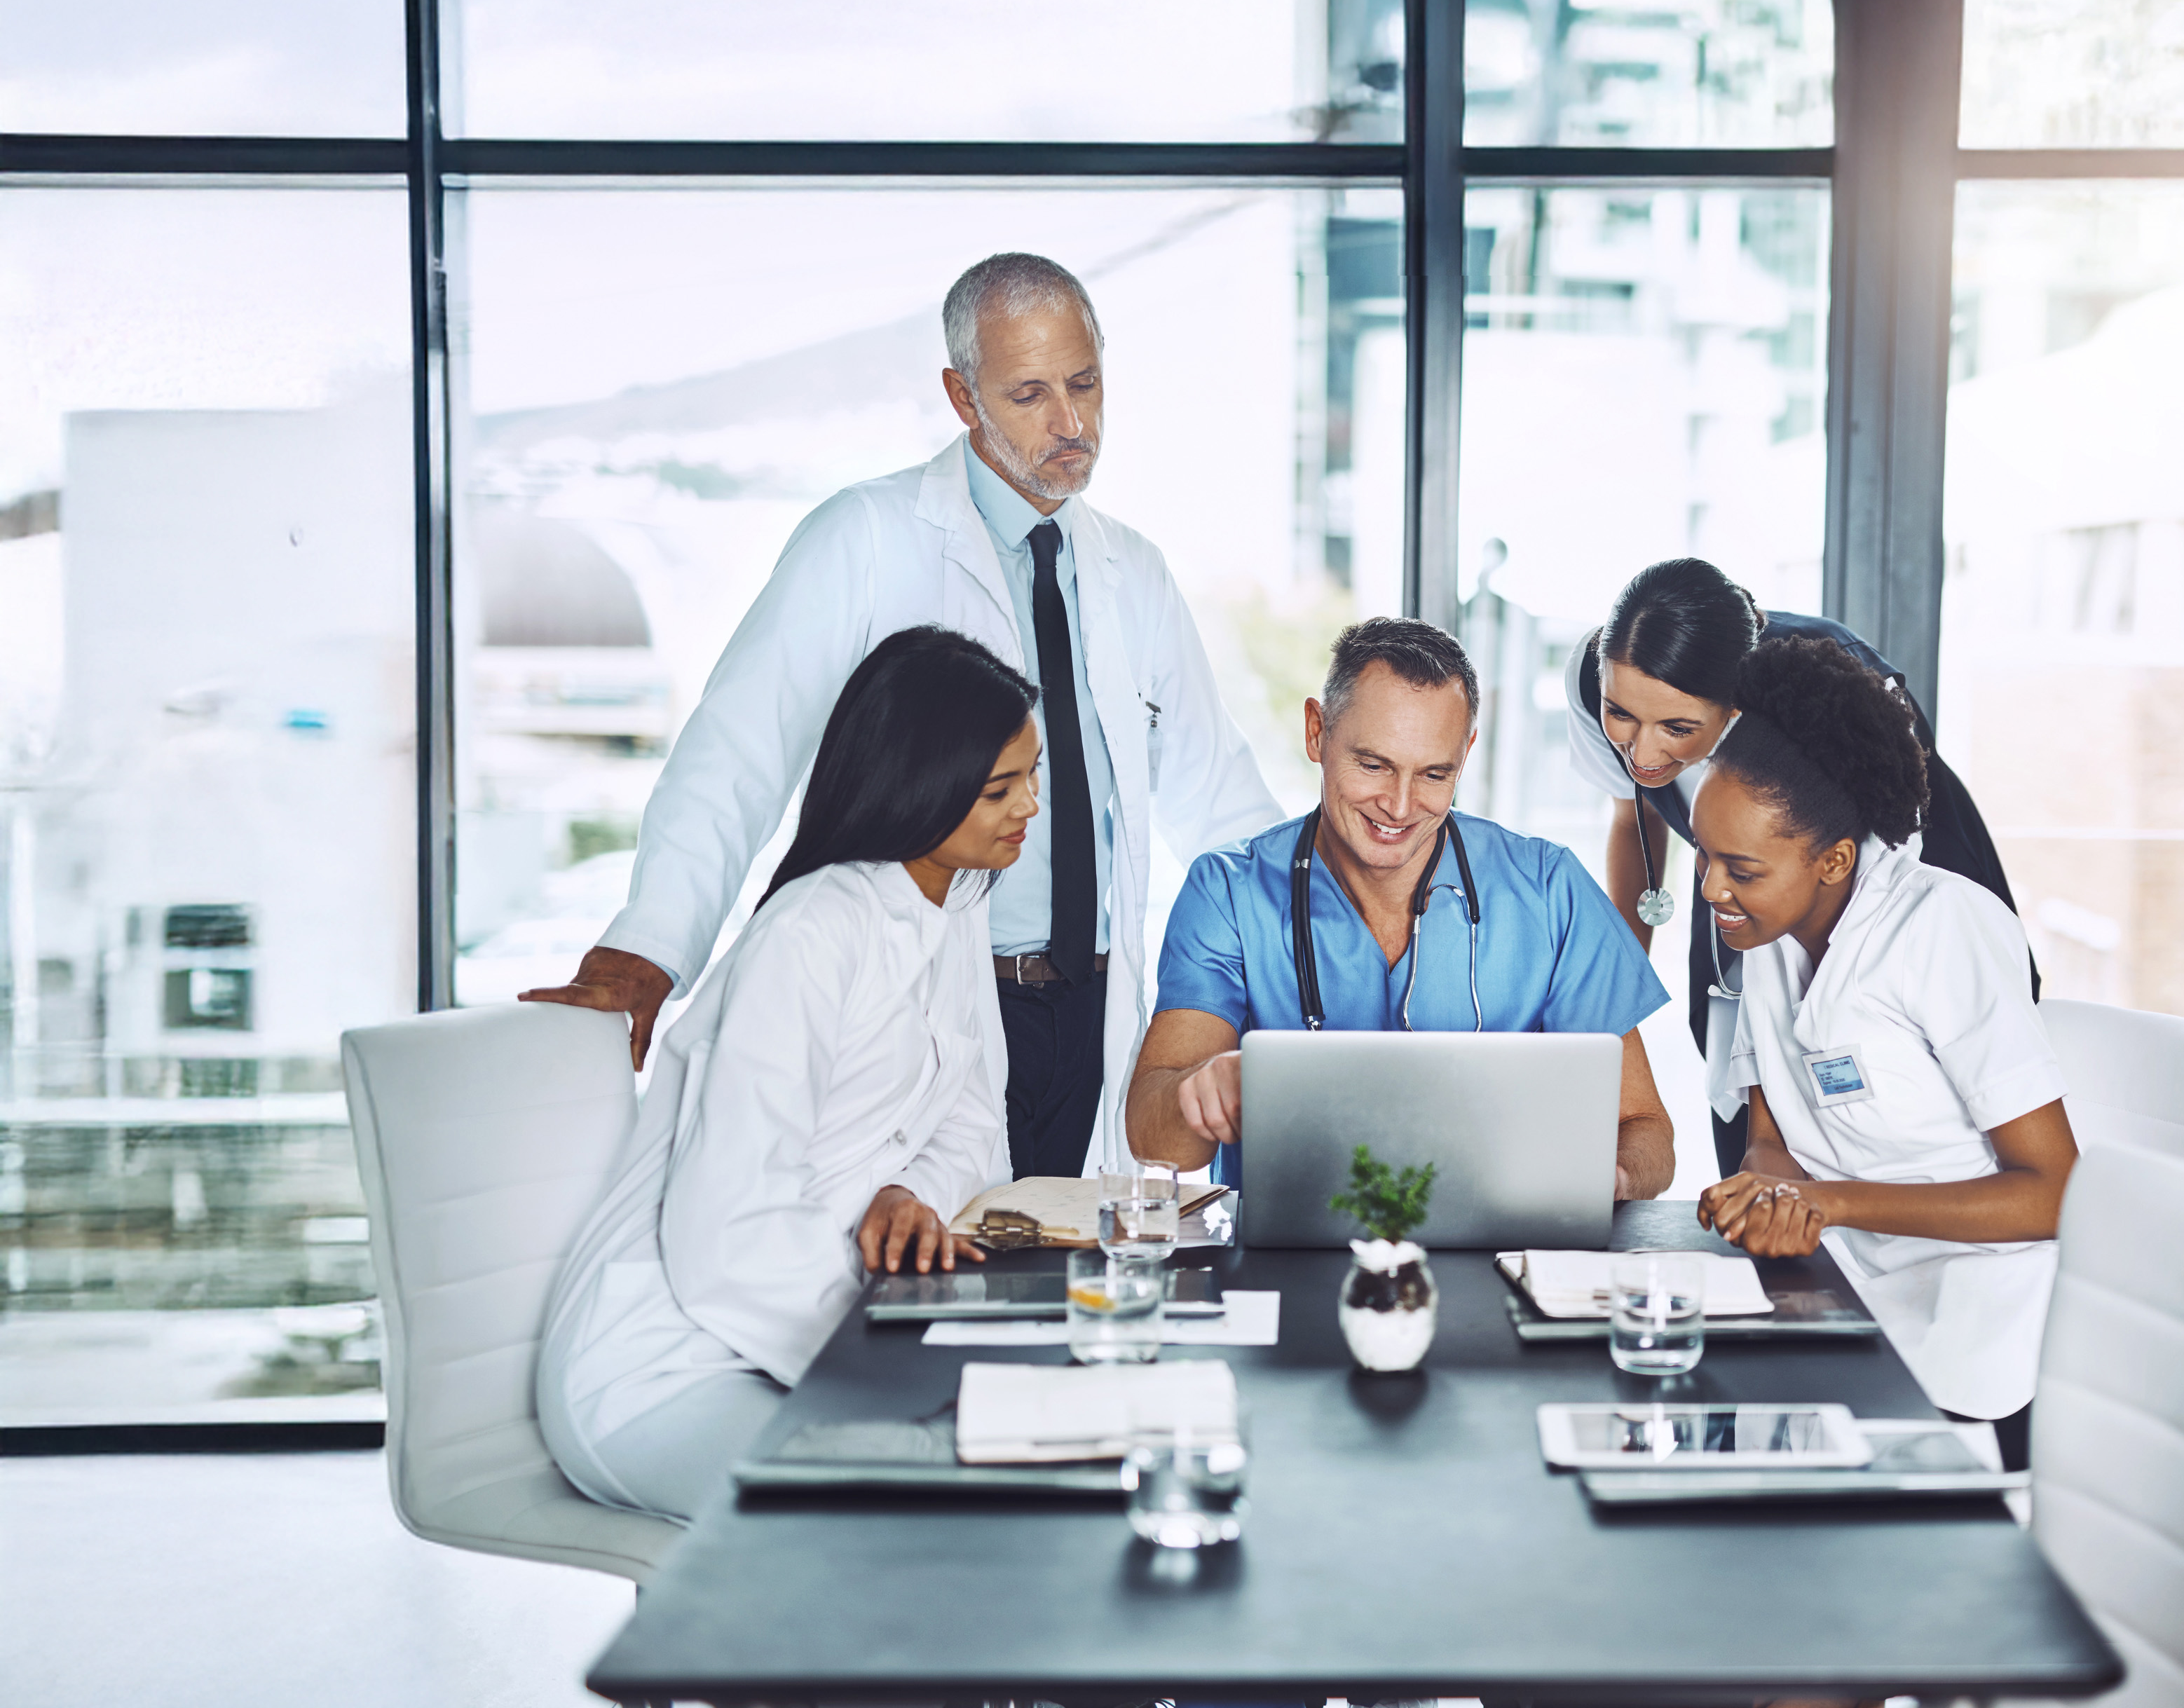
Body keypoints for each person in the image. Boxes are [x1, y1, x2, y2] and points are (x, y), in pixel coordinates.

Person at [524, 252, 1281, 1180]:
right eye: (1031, 395)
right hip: (932, 994)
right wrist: (651, 946)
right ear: (963, 398)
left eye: (1086, 384)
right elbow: (737, 754)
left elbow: (1221, 800)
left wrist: (1319, 955)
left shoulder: (1136, 573)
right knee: (919, 1270)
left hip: (1094, 1003)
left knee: (1062, 1272)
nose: (1072, 423)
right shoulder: (865, 538)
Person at [538, 627, 1032, 1524]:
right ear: (922, 782)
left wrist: (906, 1189)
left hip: (806, 1331)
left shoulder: (956, 902)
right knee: (913, 1506)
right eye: (1002, 787)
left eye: (1032, 777)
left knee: (1002, 1468)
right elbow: (726, 1234)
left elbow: (974, 1123)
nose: (1030, 806)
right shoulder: (811, 931)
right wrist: (887, 1362)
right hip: (665, 1365)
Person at [1690, 634, 2075, 1470]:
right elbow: (1770, 1131)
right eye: (1704, 856)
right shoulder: (1768, 936)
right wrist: (1769, 1186)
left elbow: (2052, 1193)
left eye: (1741, 869)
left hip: (1978, 1315)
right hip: (1842, 1291)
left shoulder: (1944, 928)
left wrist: (1829, 1202)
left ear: (1832, 859)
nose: (1712, 890)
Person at [1128, 617, 1676, 1198]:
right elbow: (1156, 1142)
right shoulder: (1228, 893)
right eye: (1373, 765)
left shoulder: (1549, 890)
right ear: (1317, 732)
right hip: (1286, 1267)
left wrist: (1605, 1179)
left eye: (1435, 774)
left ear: (1465, 754)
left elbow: (1644, 1131)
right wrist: (1204, 1092)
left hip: (1498, 1256)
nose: (1399, 805)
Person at [1564, 557, 2029, 1175]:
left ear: (1736, 709)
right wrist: (1609, 1013)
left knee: (1897, 1111)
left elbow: (1879, 879)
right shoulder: (1598, 678)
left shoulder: (1825, 694)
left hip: (1888, 867)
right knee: (1746, 1118)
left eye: (1677, 727)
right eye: (1622, 715)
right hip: (1749, 876)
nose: (1643, 752)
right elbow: (1636, 819)